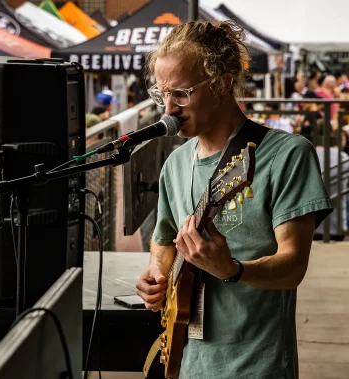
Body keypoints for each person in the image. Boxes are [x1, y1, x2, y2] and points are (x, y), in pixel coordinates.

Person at [135, 20, 333, 379]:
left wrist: (232, 269)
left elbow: (294, 267)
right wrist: (156, 273)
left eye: (181, 93)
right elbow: (163, 239)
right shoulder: (176, 163)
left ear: (223, 82)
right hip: (185, 360)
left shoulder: (286, 155)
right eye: (161, 94)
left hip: (257, 364)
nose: (169, 108)